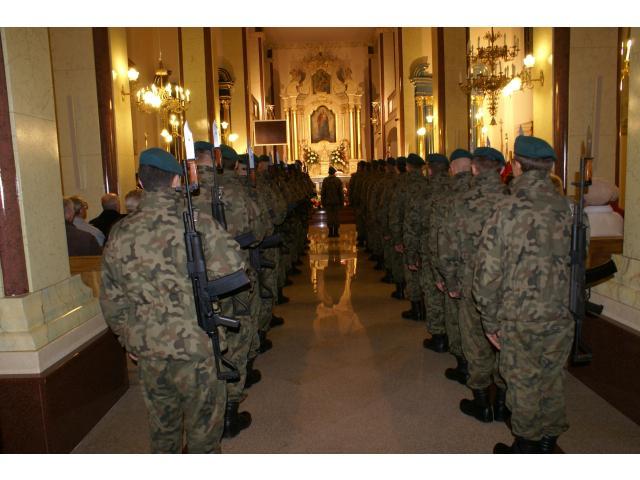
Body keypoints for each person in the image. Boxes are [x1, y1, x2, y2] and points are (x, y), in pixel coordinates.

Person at [100, 147, 246, 454]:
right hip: (197, 347)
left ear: (140, 182)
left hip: (149, 348)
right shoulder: (198, 223)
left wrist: (129, 336)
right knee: (204, 437)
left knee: (162, 432)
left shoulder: (120, 232)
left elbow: (112, 297)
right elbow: (234, 268)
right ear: (178, 180)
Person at [473, 136, 575, 454]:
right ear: (549, 168)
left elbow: (487, 273)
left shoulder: (506, 209)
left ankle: (527, 445)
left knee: (522, 381)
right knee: (552, 377)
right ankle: (549, 439)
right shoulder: (568, 208)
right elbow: (577, 260)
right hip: (559, 312)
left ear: (516, 166)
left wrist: (489, 321)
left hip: (519, 315)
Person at [439, 147, 510, 423]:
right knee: (504, 342)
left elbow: (446, 247)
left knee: (475, 340)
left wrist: (451, 280)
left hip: (471, 281)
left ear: (474, 169)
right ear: (501, 169)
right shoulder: (513, 200)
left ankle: (482, 403)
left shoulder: (461, 201)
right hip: (508, 286)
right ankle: (502, 403)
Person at [321, 166, 344, 238]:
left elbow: (323, 192)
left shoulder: (325, 180)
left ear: (329, 172)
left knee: (330, 217)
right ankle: (336, 232)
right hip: (336, 201)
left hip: (328, 202)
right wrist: (342, 202)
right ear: (334, 173)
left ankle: (330, 232)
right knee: (336, 217)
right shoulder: (338, 180)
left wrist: (323, 202)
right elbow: (341, 193)